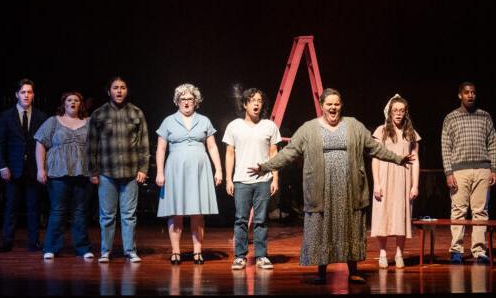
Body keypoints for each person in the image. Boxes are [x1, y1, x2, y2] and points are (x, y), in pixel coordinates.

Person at [248, 88, 414, 284]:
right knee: (322, 228)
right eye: (329, 104)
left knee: (351, 226)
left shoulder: (353, 125)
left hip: (349, 187)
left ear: (341, 105)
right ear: (322, 106)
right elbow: (289, 153)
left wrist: (397, 159)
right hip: (321, 188)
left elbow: (374, 147)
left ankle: (352, 271)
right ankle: (321, 272)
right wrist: (266, 167)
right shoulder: (309, 128)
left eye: (336, 104)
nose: (333, 108)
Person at [155, 83, 223, 265]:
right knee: (175, 211)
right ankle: (176, 251)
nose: (186, 102)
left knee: (197, 212)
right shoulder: (168, 121)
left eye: (190, 99)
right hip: (175, 170)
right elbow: (161, 149)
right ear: (177, 101)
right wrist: (160, 172)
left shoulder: (204, 121)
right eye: (182, 99)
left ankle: (197, 251)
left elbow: (212, 146)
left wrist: (219, 169)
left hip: (199, 170)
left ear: (196, 101)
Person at [88, 76, 150, 263]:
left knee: (129, 215)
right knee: (107, 215)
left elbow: (144, 144)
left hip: (131, 173)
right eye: (115, 88)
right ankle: (106, 251)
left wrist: (143, 168)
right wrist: (93, 171)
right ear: (109, 91)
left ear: (127, 90)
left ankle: (130, 250)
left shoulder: (137, 113)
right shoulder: (99, 114)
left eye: (123, 87)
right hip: (107, 172)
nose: (119, 91)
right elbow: (91, 145)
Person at [441, 82, 496, 265]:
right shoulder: (451, 118)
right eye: (466, 92)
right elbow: (445, 147)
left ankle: (480, 250)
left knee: (480, 211)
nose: (470, 95)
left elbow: (493, 143)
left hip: (482, 169)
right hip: (459, 170)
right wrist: (448, 172)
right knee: (458, 211)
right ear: (460, 95)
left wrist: (495, 168)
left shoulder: (485, 116)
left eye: (473, 92)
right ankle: (456, 250)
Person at [223, 88, 280, 270]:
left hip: (264, 180)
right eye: (252, 100)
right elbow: (229, 153)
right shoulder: (234, 125)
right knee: (240, 219)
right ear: (245, 104)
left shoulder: (269, 126)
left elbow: (274, 153)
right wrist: (228, 179)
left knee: (261, 220)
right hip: (241, 180)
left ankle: (261, 256)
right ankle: (240, 256)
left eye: (259, 100)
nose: (256, 103)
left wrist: (275, 178)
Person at [35, 91, 94, 260]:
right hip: (57, 173)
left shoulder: (89, 123)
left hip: (82, 173)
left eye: (76, 100)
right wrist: (40, 169)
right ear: (64, 103)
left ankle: (82, 248)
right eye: (69, 100)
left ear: (81, 104)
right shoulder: (53, 121)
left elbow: (96, 148)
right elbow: (40, 144)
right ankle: (51, 247)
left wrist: (95, 171)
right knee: (58, 211)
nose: (73, 102)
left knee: (80, 211)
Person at [0, 78, 49, 253]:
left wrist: (44, 168)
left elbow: (47, 144)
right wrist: (3, 166)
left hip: (34, 169)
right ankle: (7, 240)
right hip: (13, 169)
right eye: (23, 92)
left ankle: (34, 241)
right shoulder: (6, 116)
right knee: (11, 206)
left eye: (29, 92)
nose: (26, 95)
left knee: (34, 207)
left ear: (33, 95)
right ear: (16, 94)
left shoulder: (41, 116)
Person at [370, 94, 420, 269]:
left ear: (406, 113)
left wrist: (415, 185)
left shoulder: (411, 133)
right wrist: (376, 183)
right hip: (385, 177)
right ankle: (382, 253)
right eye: (395, 110)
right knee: (382, 215)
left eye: (401, 110)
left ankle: (399, 253)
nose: (398, 114)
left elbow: (416, 160)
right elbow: (375, 158)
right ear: (389, 113)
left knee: (401, 215)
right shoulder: (380, 131)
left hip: (403, 179)